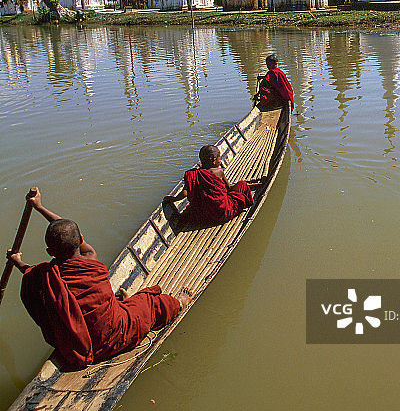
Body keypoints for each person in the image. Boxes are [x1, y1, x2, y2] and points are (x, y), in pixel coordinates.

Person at [6, 188, 192, 370]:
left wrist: (17, 261)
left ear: (50, 252)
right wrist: (40, 206)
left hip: (75, 347)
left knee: (123, 303)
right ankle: (180, 303)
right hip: (115, 336)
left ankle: (123, 304)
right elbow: (68, 231)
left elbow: (29, 272)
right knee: (151, 302)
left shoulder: (46, 275)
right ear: (80, 239)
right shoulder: (90, 257)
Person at [163, 144, 256, 228]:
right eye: (220, 158)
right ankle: (250, 203)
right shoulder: (219, 172)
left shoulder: (192, 174)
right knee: (242, 184)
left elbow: (184, 193)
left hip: (203, 216)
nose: (220, 160)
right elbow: (229, 189)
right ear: (214, 161)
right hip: (223, 213)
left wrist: (173, 199)